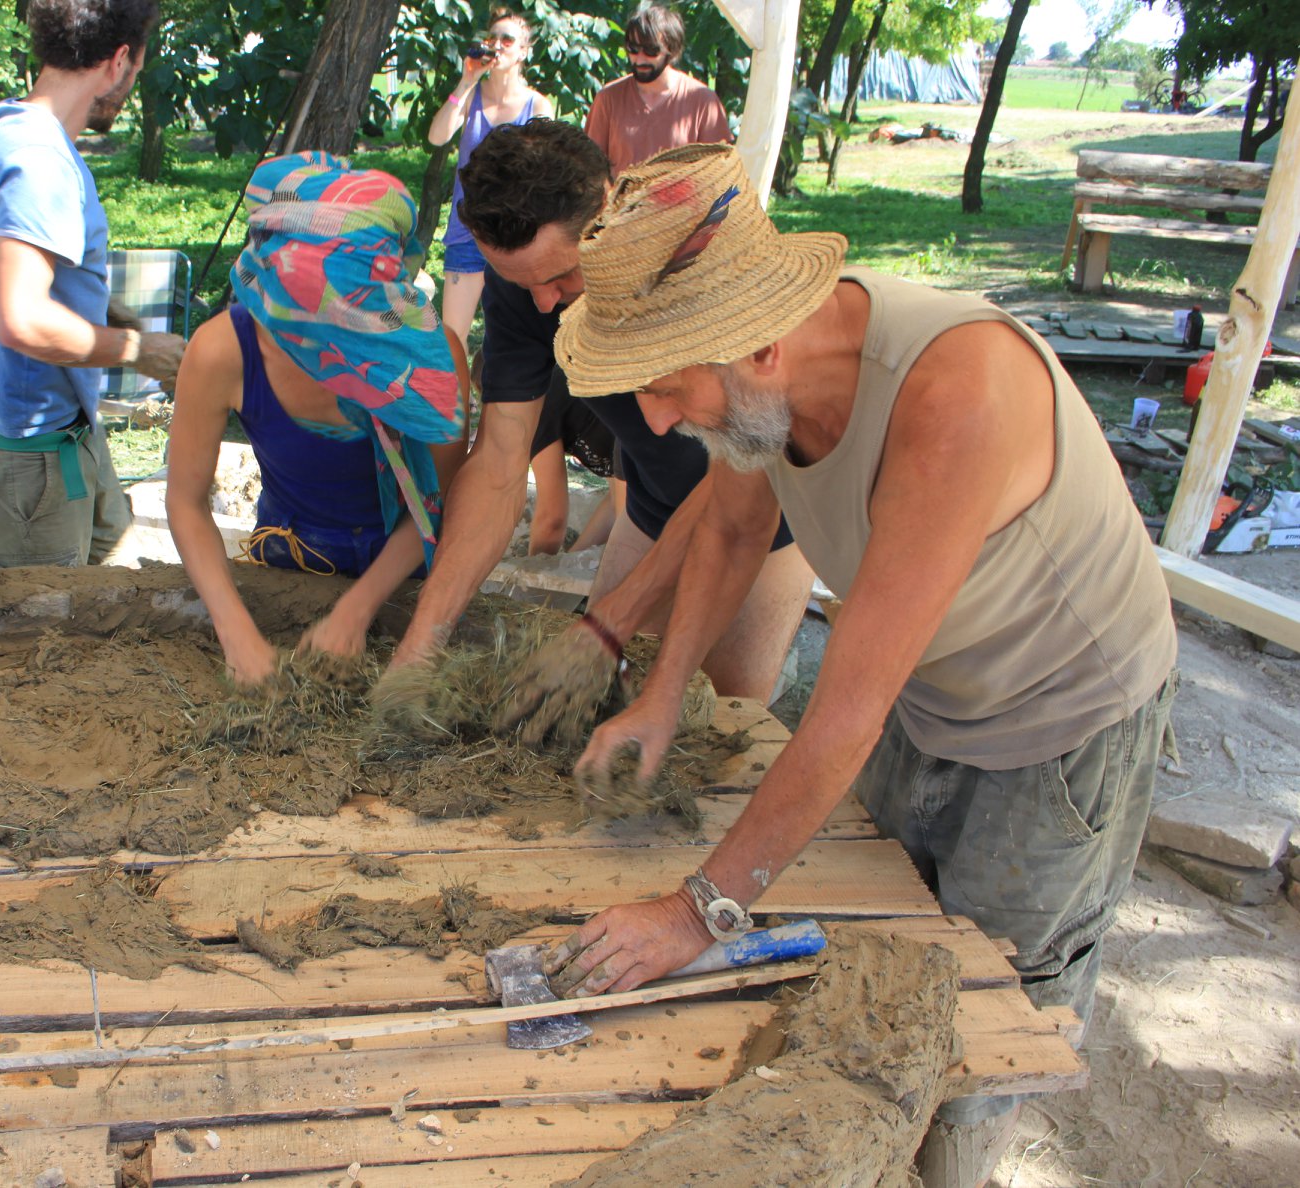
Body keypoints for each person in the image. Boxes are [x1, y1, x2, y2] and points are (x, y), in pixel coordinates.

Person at [530, 144, 1177, 1185]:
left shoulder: (955, 395)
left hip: (1063, 718)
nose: (650, 420)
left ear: (759, 350)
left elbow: (844, 714)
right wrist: (660, 695)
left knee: (994, 1000)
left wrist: (696, 912)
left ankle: (961, 1168)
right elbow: (735, 533)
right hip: (935, 692)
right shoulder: (768, 393)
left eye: (662, 386)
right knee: (881, 943)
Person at [382, 120, 813, 707]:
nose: (542, 303)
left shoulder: (691, 264)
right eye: (517, 282)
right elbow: (501, 464)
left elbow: (735, 485)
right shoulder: (527, 284)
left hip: (758, 524)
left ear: (607, 212)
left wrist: (609, 622)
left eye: (561, 277)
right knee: (595, 709)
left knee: (716, 723)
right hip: (649, 506)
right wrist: (420, 644)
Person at [166, 154, 468, 686]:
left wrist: (359, 608)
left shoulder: (429, 361)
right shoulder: (222, 352)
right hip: (293, 559)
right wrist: (236, 633)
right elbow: (186, 503)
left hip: (406, 570)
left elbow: (433, 502)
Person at [0, 0, 183, 570]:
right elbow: (21, 317)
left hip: (59, 433)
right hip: (35, 453)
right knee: (41, 634)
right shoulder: (40, 163)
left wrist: (115, 319)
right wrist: (141, 350)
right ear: (120, 61)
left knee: (114, 571)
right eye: (137, 70)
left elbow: (24, 277)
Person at [426, 7, 552, 345]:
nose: (497, 44)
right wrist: (467, 81)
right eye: (492, 37)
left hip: (515, 236)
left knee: (515, 341)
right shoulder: (471, 99)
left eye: (507, 39)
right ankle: (460, 401)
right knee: (453, 339)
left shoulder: (537, 106)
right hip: (467, 233)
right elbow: (437, 137)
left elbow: (543, 178)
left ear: (524, 51)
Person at [585, 3, 729, 177]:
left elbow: (719, 176)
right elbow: (590, 171)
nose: (639, 59)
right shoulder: (608, 98)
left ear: (672, 51)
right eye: (633, 49)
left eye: (651, 51)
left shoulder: (703, 102)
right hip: (621, 203)